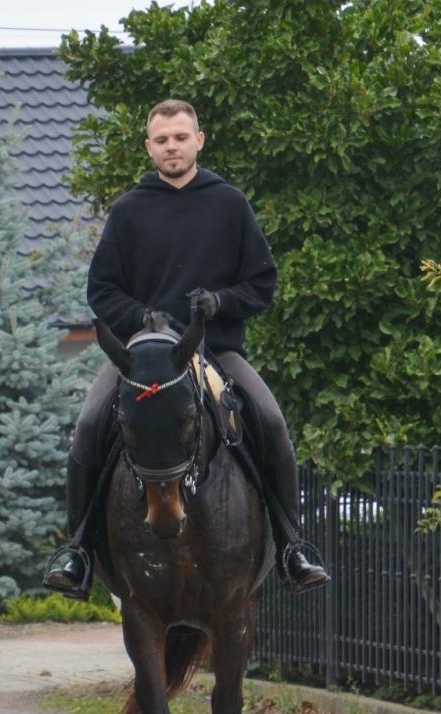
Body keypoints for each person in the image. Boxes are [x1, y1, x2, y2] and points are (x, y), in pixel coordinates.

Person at [43, 99, 329, 598]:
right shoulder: (130, 209)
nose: (171, 146)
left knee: (273, 421)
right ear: (148, 147)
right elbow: (102, 291)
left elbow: (261, 284)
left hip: (216, 350)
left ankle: (291, 547)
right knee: (89, 425)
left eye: (180, 137)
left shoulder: (229, 203)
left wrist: (219, 302)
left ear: (198, 140)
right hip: (142, 357)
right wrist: (146, 320)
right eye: (161, 139)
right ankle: (79, 550)